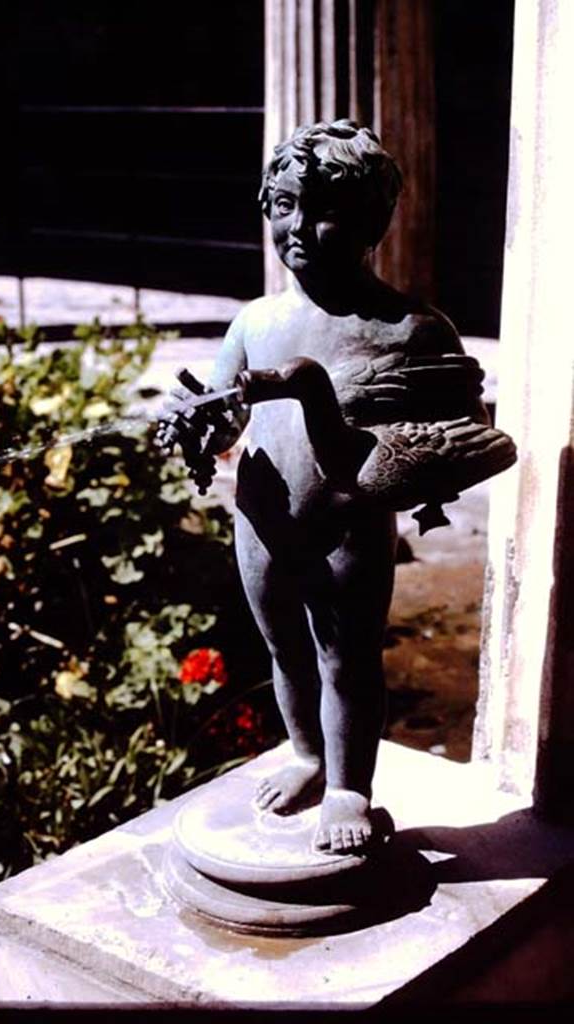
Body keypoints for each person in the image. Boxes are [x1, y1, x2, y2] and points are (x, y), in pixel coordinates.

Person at [157, 119, 514, 855]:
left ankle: (349, 785)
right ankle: (307, 757)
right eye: (283, 204)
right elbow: (223, 422)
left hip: (349, 521)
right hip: (260, 515)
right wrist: (196, 422)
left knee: (346, 656)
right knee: (284, 647)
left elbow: (463, 429)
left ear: (372, 223)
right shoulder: (255, 321)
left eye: (325, 213)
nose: (298, 227)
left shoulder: (410, 330)